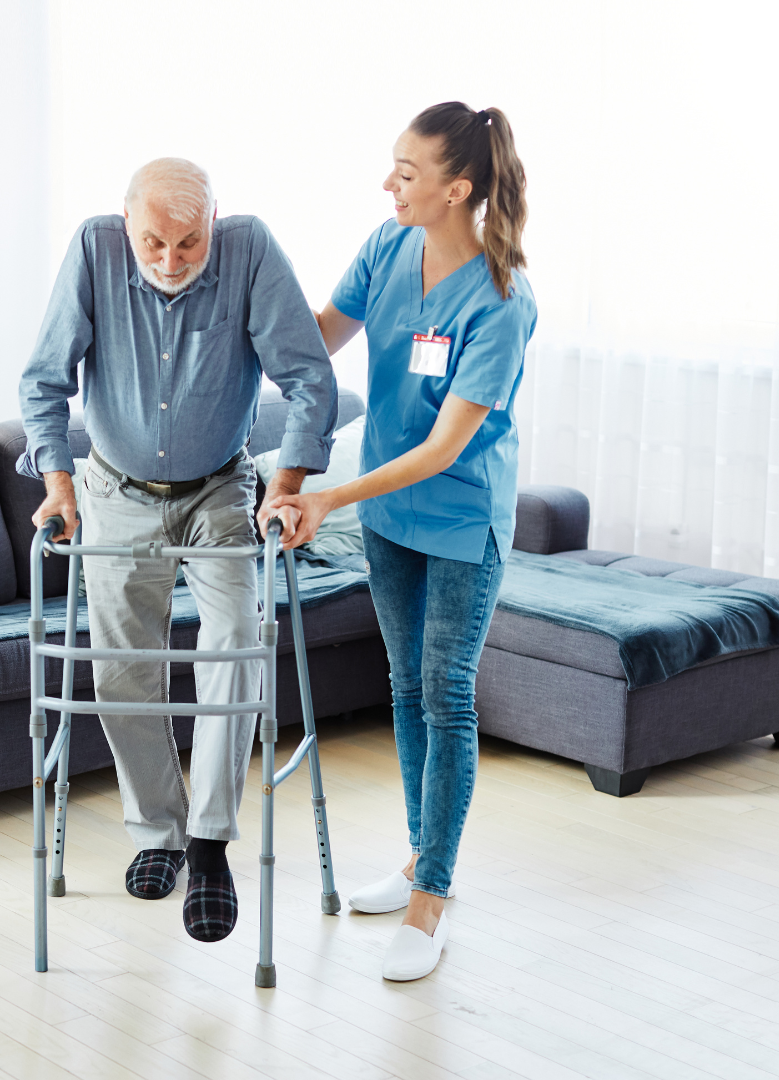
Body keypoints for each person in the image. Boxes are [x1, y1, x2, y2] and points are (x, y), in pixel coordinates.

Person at [18, 158, 336, 943]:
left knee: (235, 645)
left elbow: (309, 377)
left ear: (215, 222)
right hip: (114, 490)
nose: (170, 260)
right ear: (126, 224)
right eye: (154, 241)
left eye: (190, 243)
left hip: (221, 489)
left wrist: (285, 486)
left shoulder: (249, 249)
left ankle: (210, 841)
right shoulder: (93, 250)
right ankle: (158, 834)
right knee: (121, 665)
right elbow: (42, 382)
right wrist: (59, 486)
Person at [268, 102, 535, 981]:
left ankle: (434, 900)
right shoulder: (387, 249)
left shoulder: (501, 301)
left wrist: (330, 494)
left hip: (460, 516)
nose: (390, 183)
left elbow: (444, 448)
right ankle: (422, 855)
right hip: (391, 515)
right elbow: (317, 342)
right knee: (406, 685)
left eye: (408, 172)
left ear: (458, 188)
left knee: (446, 692)